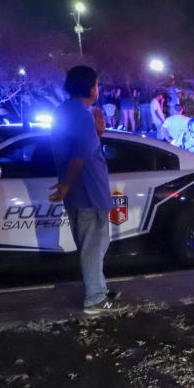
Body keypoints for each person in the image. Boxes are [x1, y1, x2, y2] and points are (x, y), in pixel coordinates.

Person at [49, 66, 127, 315]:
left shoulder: (66, 112)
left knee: (96, 243)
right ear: (91, 88)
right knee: (94, 244)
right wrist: (67, 184)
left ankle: (99, 289)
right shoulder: (80, 115)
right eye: (97, 84)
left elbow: (83, 146)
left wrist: (98, 131)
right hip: (88, 192)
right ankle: (95, 298)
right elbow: (79, 158)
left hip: (83, 192)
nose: (98, 89)